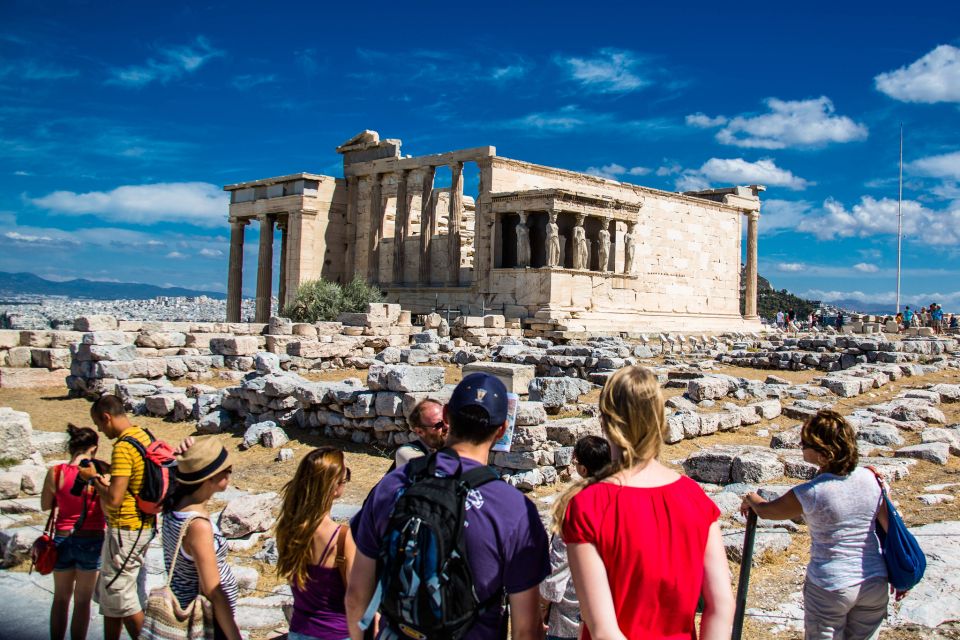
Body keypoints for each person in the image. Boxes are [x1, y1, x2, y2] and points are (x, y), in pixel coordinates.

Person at [346, 372, 550, 640]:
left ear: (447, 416)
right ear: (502, 429)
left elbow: (356, 596)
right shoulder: (515, 509)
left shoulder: (393, 484)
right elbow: (525, 630)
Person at [561, 366, 734, 640]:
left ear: (606, 422)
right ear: (660, 418)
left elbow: (604, 629)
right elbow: (721, 605)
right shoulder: (696, 498)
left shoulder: (588, 506)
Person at [740, 409, 899, 640]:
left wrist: (751, 499)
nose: (801, 446)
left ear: (824, 451)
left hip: (831, 584)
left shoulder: (811, 492)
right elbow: (890, 528)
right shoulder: (872, 479)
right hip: (874, 580)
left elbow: (768, 511)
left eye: (806, 443)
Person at [77, 394, 156, 640]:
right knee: (110, 594)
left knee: (122, 596)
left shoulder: (122, 447)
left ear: (106, 417)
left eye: (99, 424)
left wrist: (92, 478)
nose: (101, 430)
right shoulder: (143, 435)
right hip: (143, 523)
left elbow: (114, 498)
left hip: (126, 528)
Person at [162, 437, 242, 640]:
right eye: (227, 470)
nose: (230, 475)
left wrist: (187, 455)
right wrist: (233, 635)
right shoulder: (198, 526)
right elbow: (212, 589)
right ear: (210, 478)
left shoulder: (176, 503)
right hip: (206, 621)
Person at [276, 447, 356, 640]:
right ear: (335, 486)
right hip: (337, 633)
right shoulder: (342, 537)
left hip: (299, 632)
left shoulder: (287, 528)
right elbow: (356, 598)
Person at [41, 424, 107, 640]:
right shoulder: (100, 473)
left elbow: (45, 505)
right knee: (82, 601)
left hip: (62, 536)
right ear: (94, 448)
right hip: (92, 537)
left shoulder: (56, 472)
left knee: (60, 598)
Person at [542, 436, 611, 640]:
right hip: (608, 612)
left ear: (583, 469)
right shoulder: (619, 500)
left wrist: (542, 606)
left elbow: (559, 564)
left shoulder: (576, 507)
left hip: (570, 615)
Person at [391, 398, 448, 469]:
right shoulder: (407, 452)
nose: (447, 426)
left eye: (448, 420)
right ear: (420, 432)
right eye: (439, 424)